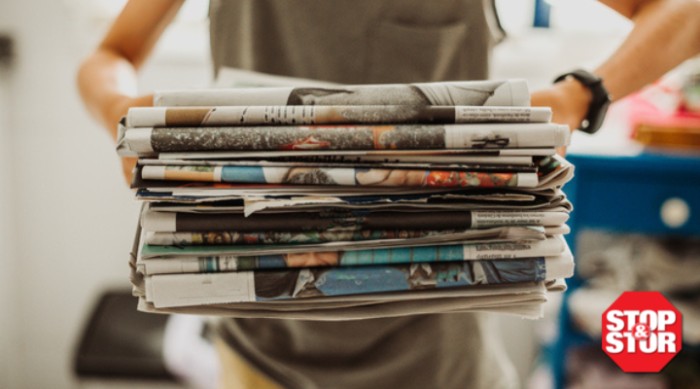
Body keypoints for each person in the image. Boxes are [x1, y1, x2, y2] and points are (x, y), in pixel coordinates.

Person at [77, 1, 700, 388]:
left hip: (437, 357)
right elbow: (110, 53)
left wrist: (581, 93)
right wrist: (119, 112)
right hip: (259, 350)